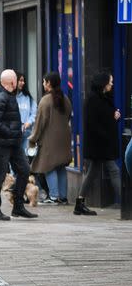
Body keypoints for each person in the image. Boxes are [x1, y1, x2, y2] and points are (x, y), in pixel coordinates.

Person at [0, 69, 37, 220]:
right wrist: (10, 132)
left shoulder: (8, 95)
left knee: (24, 170)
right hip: (1, 144)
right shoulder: (1, 96)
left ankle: (18, 206)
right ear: (12, 82)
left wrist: (14, 132)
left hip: (13, 143)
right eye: (17, 80)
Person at [77, 72, 123, 214]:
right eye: (110, 82)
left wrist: (114, 116)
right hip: (99, 143)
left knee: (92, 173)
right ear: (103, 83)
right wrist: (112, 118)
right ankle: (127, 202)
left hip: (101, 143)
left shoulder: (104, 98)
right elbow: (94, 123)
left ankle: (79, 203)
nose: (112, 84)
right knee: (114, 170)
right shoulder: (93, 100)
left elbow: (106, 117)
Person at [28, 72, 72, 205]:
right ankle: (63, 197)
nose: (43, 84)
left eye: (44, 82)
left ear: (48, 83)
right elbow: (69, 116)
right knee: (61, 167)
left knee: (48, 167)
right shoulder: (65, 99)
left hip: (49, 139)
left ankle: (53, 196)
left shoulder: (45, 101)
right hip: (64, 138)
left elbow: (39, 122)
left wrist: (33, 138)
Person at [16, 72, 37, 154]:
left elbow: (34, 113)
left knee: (26, 157)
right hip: (13, 134)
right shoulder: (9, 97)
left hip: (27, 133)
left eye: (23, 81)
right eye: (20, 80)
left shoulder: (28, 98)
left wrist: (29, 122)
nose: (23, 83)